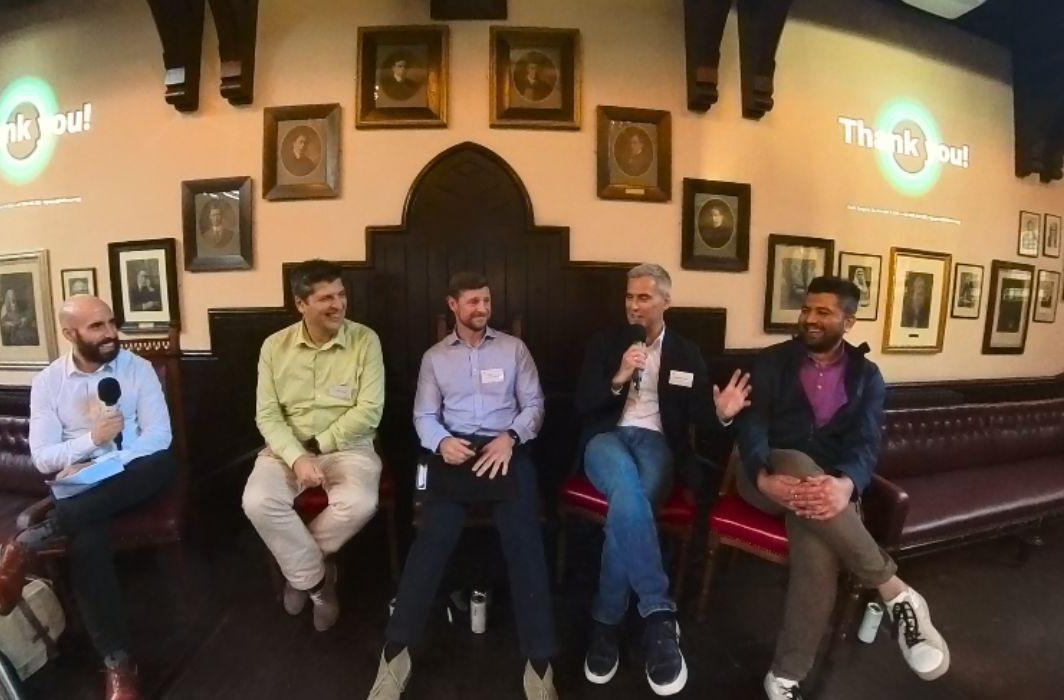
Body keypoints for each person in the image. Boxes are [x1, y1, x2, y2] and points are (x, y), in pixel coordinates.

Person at [735, 276, 949, 700]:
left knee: (818, 551)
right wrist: (761, 474)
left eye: (823, 312)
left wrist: (846, 483)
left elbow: (866, 444)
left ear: (848, 321)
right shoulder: (773, 360)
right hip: (761, 475)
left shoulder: (867, 377)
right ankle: (895, 592)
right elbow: (753, 423)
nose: (810, 319)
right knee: (796, 461)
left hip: (824, 493)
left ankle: (784, 676)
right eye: (807, 310)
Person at [368, 272, 558, 700]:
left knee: (525, 540)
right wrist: (441, 442)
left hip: (505, 447)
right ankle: (396, 654)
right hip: (454, 453)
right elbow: (423, 416)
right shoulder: (435, 358)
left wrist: (511, 437)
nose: (482, 309)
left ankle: (541, 662)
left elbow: (535, 406)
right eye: (472, 302)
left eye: (486, 301)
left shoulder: (514, 349)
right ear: (453, 305)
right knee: (433, 539)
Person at [0, 295, 177, 700]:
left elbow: (159, 436)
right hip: (82, 486)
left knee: (162, 462)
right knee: (87, 539)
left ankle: (28, 543)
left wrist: (114, 458)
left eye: (111, 323)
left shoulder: (137, 370)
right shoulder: (48, 383)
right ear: (70, 333)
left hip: (136, 474)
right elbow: (43, 458)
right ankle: (119, 663)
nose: (110, 333)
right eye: (97, 327)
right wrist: (91, 444)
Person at [575, 264, 751, 696]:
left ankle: (606, 621)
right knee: (628, 489)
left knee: (627, 499)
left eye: (644, 298)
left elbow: (701, 419)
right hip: (606, 438)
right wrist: (618, 375)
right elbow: (582, 402)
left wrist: (724, 414)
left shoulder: (687, 354)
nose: (634, 305)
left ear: (665, 302)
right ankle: (658, 613)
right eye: (629, 297)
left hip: (657, 445)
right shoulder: (606, 342)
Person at [242, 259, 384, 632]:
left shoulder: (365, 340)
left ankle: (299, 573)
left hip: (349, 447)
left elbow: (369, 411)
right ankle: (321, 585)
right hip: (286, 448)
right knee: (257, 501)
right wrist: (297, 455)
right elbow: (267, 415)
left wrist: (319, 445)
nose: (338, 304)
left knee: (360, 503)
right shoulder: (274, 347)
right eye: (325, 298)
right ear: (301, 304)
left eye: (341, 295)